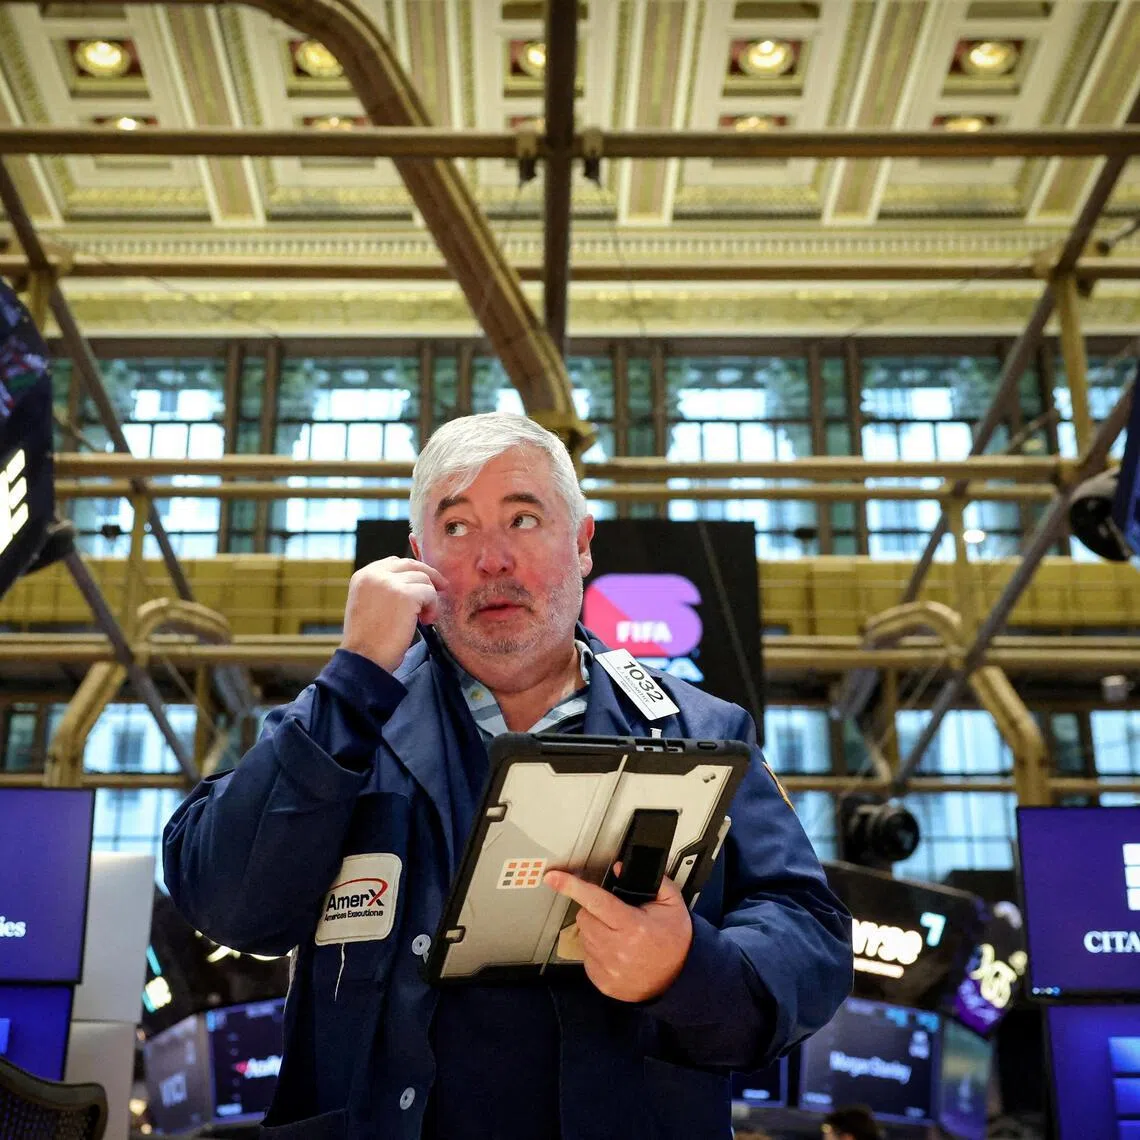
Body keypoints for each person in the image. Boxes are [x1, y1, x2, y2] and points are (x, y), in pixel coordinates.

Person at [164, 413, 853, 1140]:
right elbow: (225, 903)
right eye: (456, 527)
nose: (492, 558)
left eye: (524, 519)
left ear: (583, 544)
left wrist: (687, 964)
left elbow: (812, 938)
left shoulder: (700, 732)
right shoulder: (342, 721)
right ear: (415, 559)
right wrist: (352, 678)